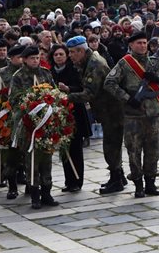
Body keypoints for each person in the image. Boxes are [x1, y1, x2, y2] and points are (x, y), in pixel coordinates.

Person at [104, 32, 159, 198]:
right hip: (133, 115)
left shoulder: (154, 62)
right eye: (139, 43)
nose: (143, 46)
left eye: (144, 43)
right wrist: (126, 98)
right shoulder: (124, 64)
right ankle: (138, 185)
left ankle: (151, 183)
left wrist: (158, 78)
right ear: (131, 45)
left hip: (152, 114)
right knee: (134, 151)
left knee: (153, 151)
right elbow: (109, 82)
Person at [65, 35, 125, 194]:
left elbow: (89, 94)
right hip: (107, 109)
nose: (70, 55)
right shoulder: (89, 60)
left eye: (72, 52)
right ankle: (119, 175)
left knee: (110, 146)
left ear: (81, 51)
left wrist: (66, 97)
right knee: (113, 145)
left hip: (112, 111)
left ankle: (116, 179)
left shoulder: (94, 65)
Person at [9, 46, 57, 209]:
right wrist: (30, 104)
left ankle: (47, 192)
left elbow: (54, 92)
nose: (35, 61)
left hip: (46, 123)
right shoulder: (18, 76)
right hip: (29, 124)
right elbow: (14, 99)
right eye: (32, 59)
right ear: (24, 59)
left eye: (37, 58)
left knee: (47, 158)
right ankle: (35, 194)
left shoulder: (45, 73)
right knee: (32, 160)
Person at [0, 44, 25, 200]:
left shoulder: (27, 73)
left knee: (26, 153)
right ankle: (12, 186)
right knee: (10, 155)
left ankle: (29, 183)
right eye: (19, 57)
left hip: (25, 118)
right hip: (8, 120)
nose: (22, 60)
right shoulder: (1, 73)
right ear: (12, 58)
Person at [50, 43, 88, 192]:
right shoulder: (50, 72)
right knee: (64, 148)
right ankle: (68, 181)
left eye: (61, 54)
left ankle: (77, 181)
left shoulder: (74, 69)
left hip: (74, 112)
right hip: (59, 113)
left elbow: (82, 87)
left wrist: (68, 89)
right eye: (56, 55)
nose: (59, 57)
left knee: (75, 148)